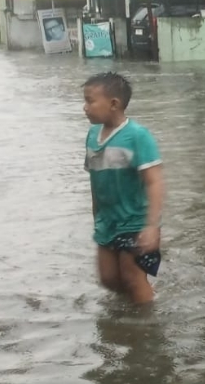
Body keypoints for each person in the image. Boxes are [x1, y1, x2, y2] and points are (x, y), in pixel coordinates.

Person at [82, 72, 164, 305]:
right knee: (108, 279)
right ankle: (128, 313)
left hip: (135, 221)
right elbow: (94, 178)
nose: (84, 107)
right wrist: (95, 212)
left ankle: (147, 325)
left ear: (114, 104)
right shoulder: (91, 136)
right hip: (107, 221)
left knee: (133, 278)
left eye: (90, 101)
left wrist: (151, 226)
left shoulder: (137, 136)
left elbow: (154, 181)